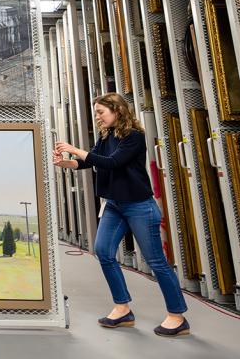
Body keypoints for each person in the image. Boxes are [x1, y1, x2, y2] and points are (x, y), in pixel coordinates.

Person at [53, 92, 189, 337]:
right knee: (103, 252)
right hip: (114, 204)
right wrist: (68, 163)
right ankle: (122, 308)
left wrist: (74, 149)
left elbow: (113, 163)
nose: (97, 117)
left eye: (100, 112)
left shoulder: (134, 137)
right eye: (96, 113)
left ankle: (177, 316)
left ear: (117, 111)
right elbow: (91, 161)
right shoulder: (106, 135)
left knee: (156, 261)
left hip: (139, 206)